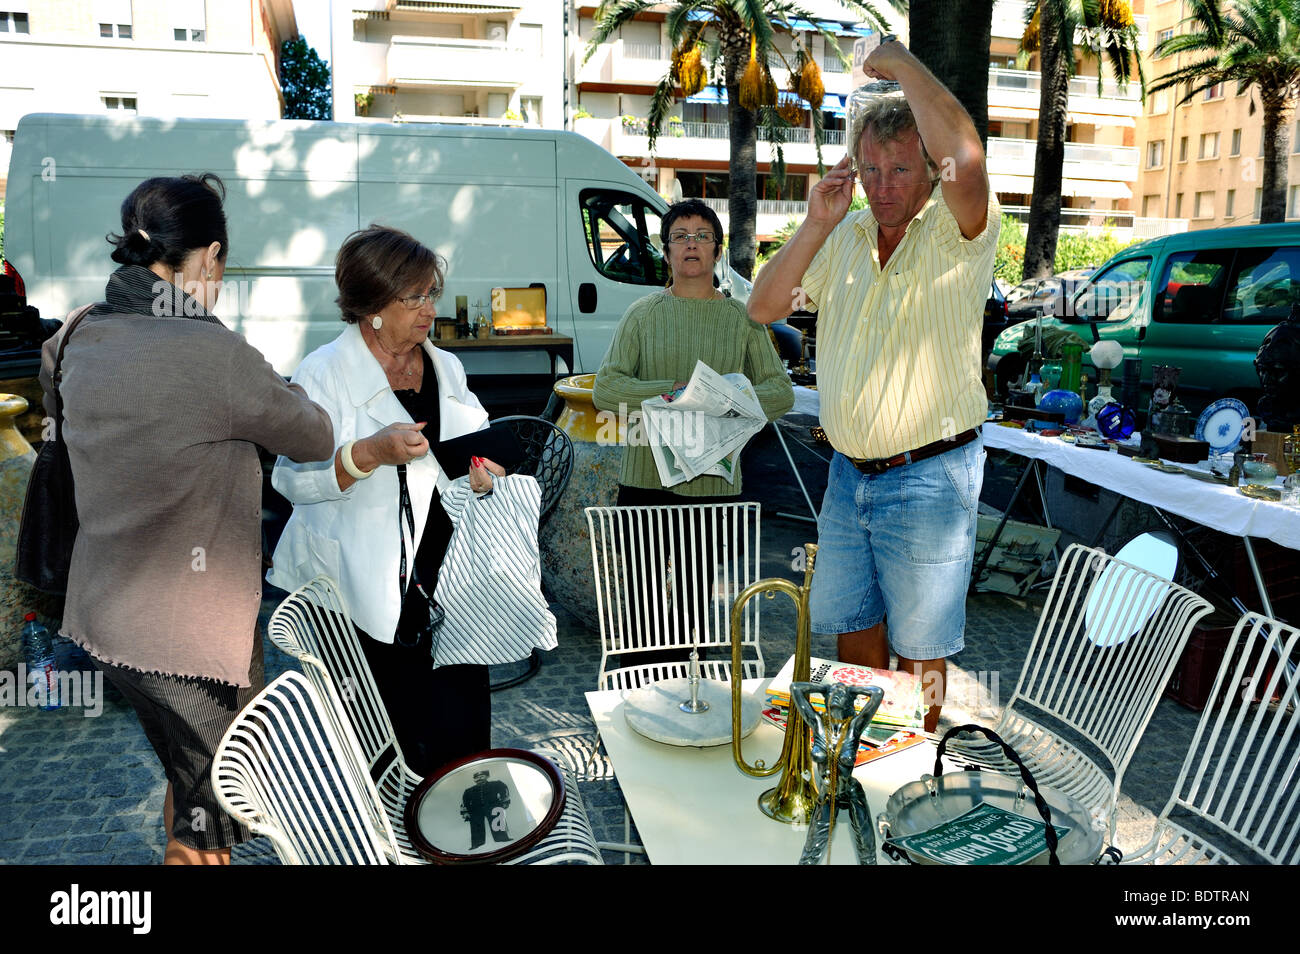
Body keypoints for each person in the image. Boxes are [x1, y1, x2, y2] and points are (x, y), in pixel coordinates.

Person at [45, 174, 335, 865]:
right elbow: (316, 436)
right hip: (191, 641)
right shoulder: (214, 353)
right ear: (207, 258)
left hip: (104, 623)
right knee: (218, 817)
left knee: (190, 781)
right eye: (222, 268)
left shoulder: (76, 333)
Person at [748, 39, 999, 732]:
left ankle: (920, 768)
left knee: (921, 657)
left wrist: (901, 63)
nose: (885, 185)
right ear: (854, 172)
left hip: (930, 476)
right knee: (851, 636)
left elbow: (968, 160)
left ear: (928, 169)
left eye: (900, 168)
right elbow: (765, 306)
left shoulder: (959, 229)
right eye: (871, 170)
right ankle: (858, 761)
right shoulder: (846, 233)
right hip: (846, 477)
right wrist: (815, 222)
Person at [269, 225, 503, 778]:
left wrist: (485, 468)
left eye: (432, 293)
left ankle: (461, 840)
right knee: (389, 747)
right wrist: (367, 454)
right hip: (365, 592)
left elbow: (471, 439)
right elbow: (291, 479)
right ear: (373, 305)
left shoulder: (445, 364)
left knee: (463, 735)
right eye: (415, 296)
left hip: (450, 581)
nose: (429, 308)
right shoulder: (322, 371)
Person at [592, 198, 794, 648]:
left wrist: (724, 400)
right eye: (680, 237)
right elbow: (606, 390)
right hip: (644, 483)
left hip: (712, 487)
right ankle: (638, 697)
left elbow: (780, 393)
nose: (691, 245)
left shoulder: (744, 318)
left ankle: (688, 699)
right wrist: (675, 395)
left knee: (691, 607)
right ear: (665, 251)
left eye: (702, 237)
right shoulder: (642, 314)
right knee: (640, 611)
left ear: (718, 252)